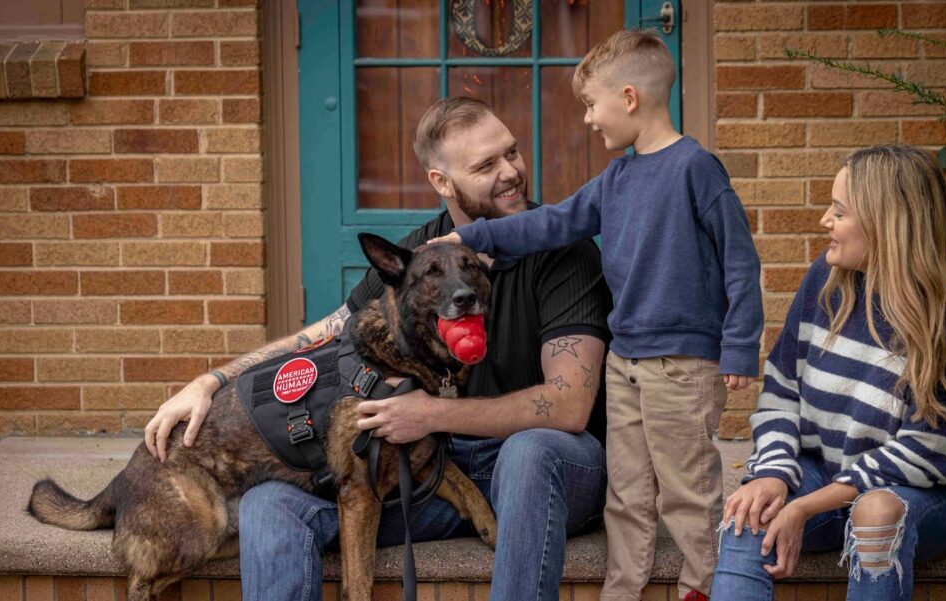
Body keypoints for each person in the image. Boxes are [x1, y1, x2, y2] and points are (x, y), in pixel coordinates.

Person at [143, 96, 613, 601]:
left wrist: (431, 414)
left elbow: (568, 406)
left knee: (530, 449)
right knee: (269, 503)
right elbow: (328, 330)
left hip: (553, 474)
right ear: (442, 182)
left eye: (512, 153)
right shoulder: (419, 258)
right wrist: (211, 381)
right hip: (434, 477)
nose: (511, 172)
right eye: (486, 165)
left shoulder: (562, 249)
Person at [430, 28, 763, 601]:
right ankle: (622, 588)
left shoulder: (696, 170)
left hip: (682, 364)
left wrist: (738, 346)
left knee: (687, 485)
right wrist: (476, 234)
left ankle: (700, 584)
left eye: (591, 105)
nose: (588, 119)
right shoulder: (617, 178)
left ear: (629, 98)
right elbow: (550, 223)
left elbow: (741, 263)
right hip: (625, 360)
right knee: (628, 490)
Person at [713, 145, 946, 601]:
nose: (826, 220)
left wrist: (805, 506)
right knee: (751, 510)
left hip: (929, 501)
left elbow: (929, 453)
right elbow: (782, 393)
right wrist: (772, 473)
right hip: (826, 475)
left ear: (888, 223)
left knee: (877, 513)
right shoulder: (826, 281)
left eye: (839, 211)